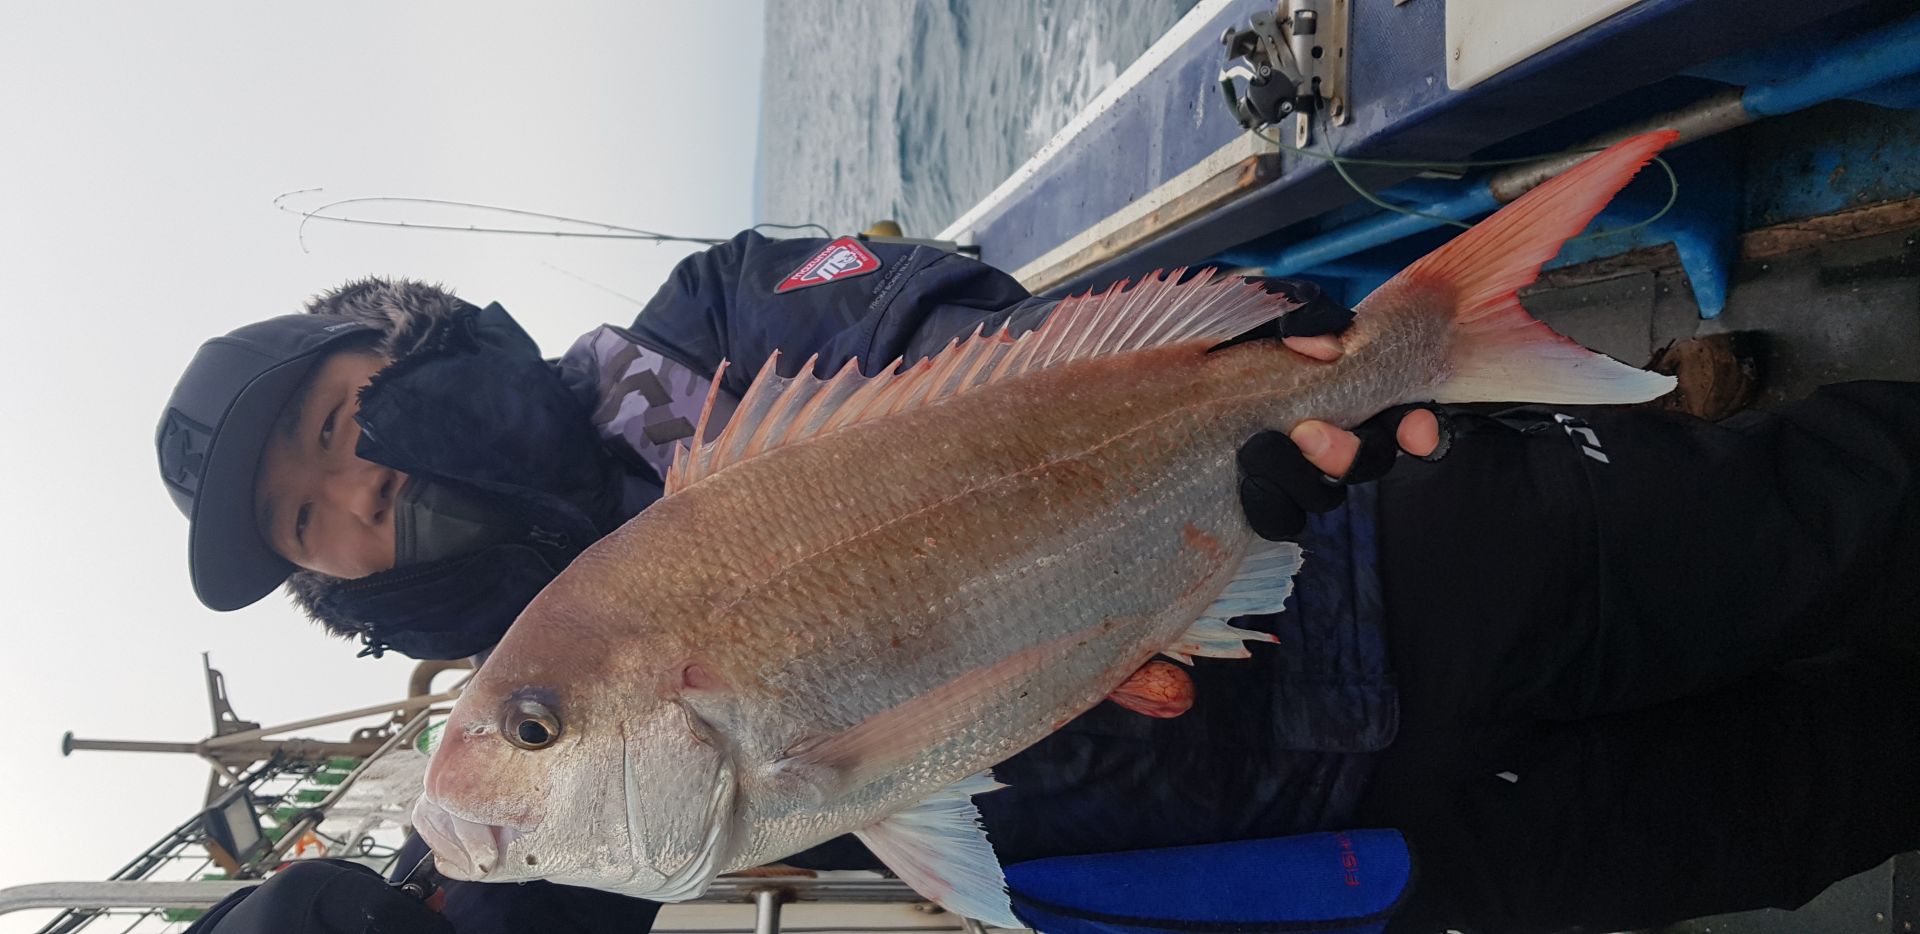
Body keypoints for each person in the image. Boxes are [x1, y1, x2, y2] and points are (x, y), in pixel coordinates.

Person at [159, 230, 1920, 933]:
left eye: (331, 421)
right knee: (1799, 811)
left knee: (1842, 517)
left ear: (391, 341)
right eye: (310, 522)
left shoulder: (700, 336)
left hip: (1382, 558)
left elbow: (956, 333)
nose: (356, 488)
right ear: (334, 584)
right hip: (1329, 835)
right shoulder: (536, 751)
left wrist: (1234, 414)